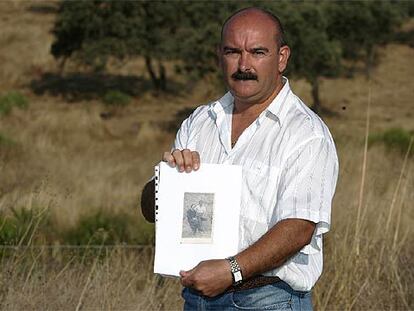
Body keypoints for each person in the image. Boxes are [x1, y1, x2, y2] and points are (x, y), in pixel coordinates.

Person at [141, 7, 338, 310]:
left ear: (282, 57)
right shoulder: (200, 122)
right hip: (197, 299)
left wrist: (231, 270)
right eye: (233, 52)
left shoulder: (305, 133)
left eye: (258, 52)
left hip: (268, 300)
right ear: (219, 55)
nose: (244, 64)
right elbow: (151, 209)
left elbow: (299, 227)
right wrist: (168, 181)